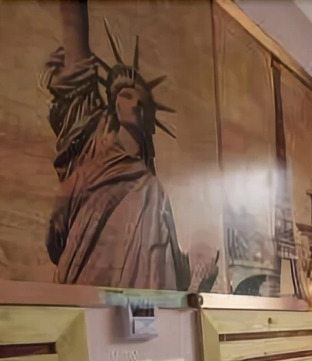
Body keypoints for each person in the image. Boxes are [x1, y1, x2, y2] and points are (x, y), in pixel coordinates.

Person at [43, 0, 216, 291]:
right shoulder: (91, 149)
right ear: (113, 104)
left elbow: (171, 268)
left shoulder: (154, 190)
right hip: (87, 287)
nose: (135, 103)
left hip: (140, 309)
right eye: (126, 95)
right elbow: (77, 67)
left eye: (142, 101)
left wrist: (202, 266)